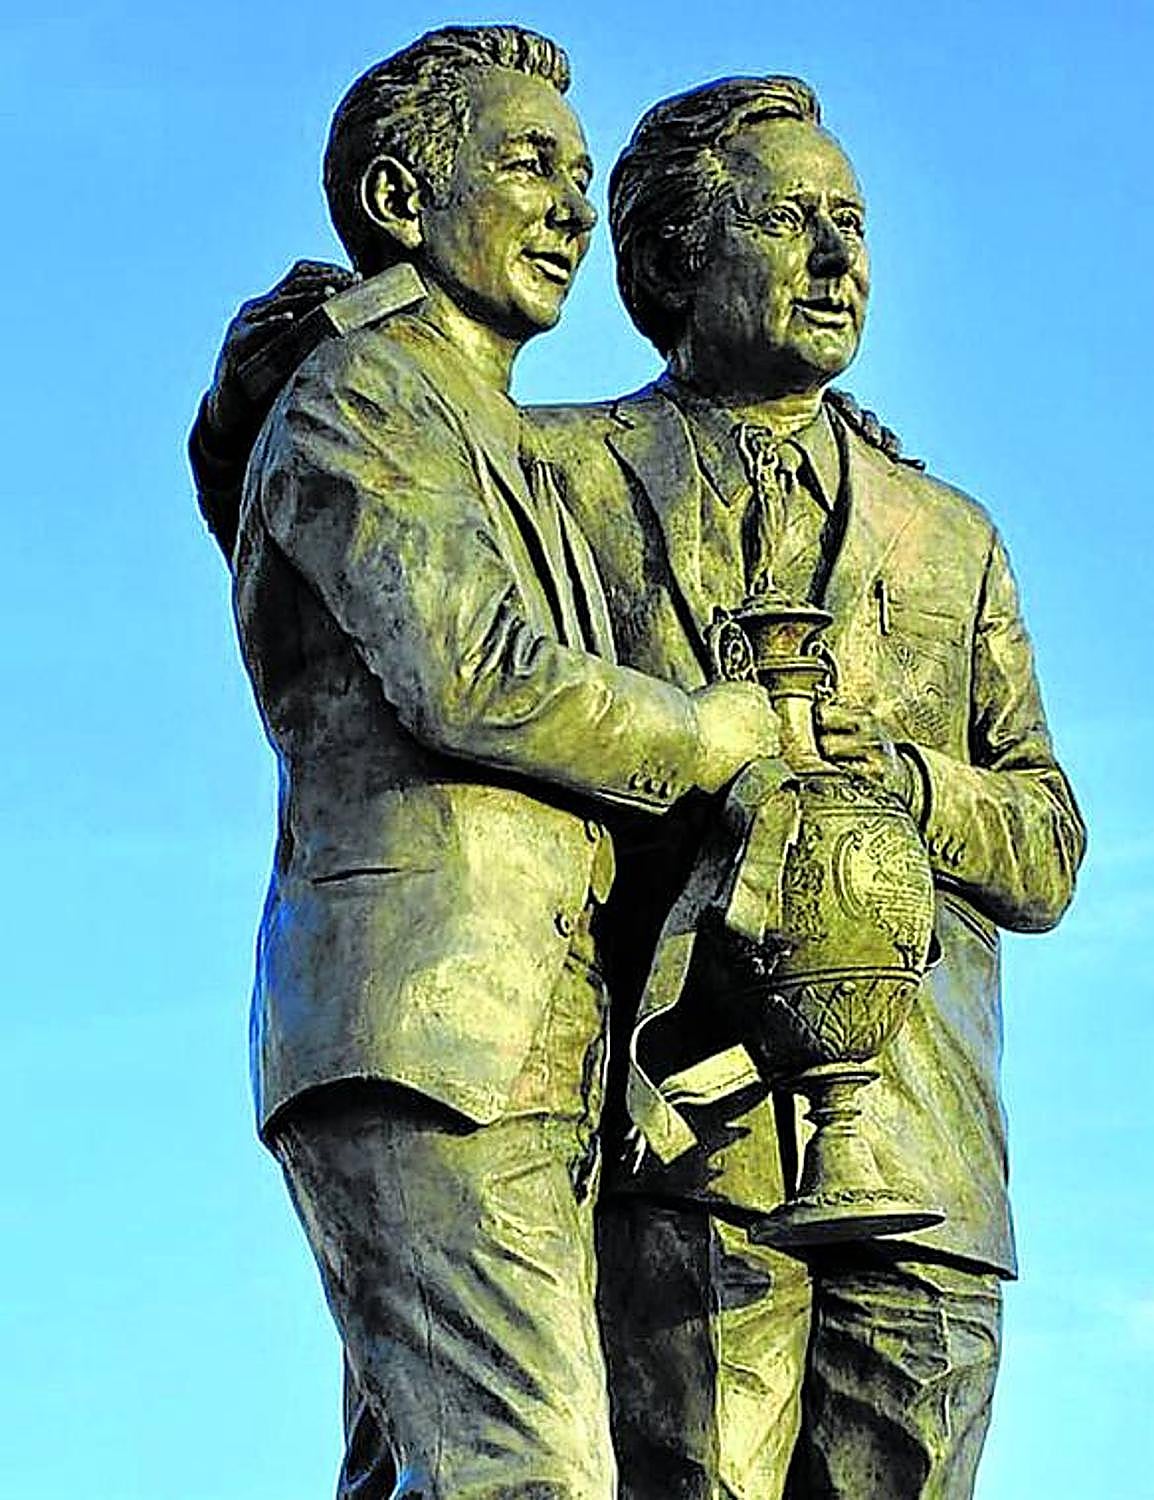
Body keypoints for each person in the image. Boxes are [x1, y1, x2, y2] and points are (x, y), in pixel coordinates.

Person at [193, 67, 1085, 1500]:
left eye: (853, 224)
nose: (838, 259)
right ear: (673, 259)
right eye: (789, 221)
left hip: (924, 1158)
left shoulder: (949, 534)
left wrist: (912, 785)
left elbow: (1047, 845)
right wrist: (259, 390)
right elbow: (374, 601)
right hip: (677, 1149)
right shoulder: (547, 466)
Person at [195, 28, 779, 1498]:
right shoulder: (363, 396)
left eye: (581, 174)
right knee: (529, 1473)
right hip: (429, 1025)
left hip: (516, 1037)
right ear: (402, 198)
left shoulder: (488, 431)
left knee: (429, 1470)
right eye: (529, 164)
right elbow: (473, 672)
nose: (573, 207)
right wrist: (707, 732)